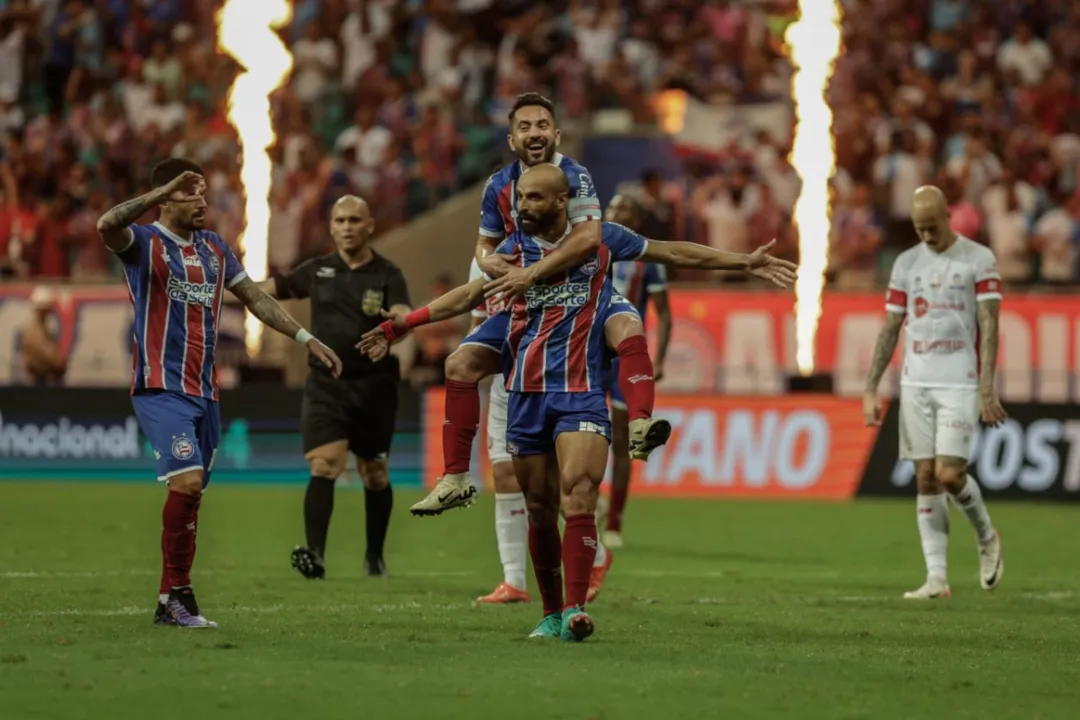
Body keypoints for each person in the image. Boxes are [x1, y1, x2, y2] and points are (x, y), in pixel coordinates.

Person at [359, 163, 796, 640]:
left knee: (581, 494)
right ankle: (548, 612)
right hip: (527, 394)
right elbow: (467, 296)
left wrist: (743, 262)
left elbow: (670, 251)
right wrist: (402, 324)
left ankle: (574, 609)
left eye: (533, 199)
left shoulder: (602, 238)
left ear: (562, 202)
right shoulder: (511, 251)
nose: (522, 206)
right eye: (520, 197)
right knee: (542, 510)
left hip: (582, 393)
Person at [96, 158, 342, 628]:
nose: (204, 202)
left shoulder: (213, 248)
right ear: (166, 199)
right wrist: (157, 191)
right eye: (192, 194)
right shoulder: (144, 244)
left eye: (204, 192)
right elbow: (106, 223)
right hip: (160, 386)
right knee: (185, 482)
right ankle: (179, 597)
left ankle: (170, 598)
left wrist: (307, 339)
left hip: (205, 393)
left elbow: (258, 300)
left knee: (193, 496)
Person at [410, 92, 668, 517]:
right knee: (465, 373)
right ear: (511, 139)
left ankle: (638, 425)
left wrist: (529, 272)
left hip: (578, 292)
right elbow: (483, 249)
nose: (535, 133)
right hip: (516, 295)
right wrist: (488, 262)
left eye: (542, 125)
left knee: (626, 326)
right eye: (525, 127)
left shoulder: (576, 178)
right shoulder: (497, 185)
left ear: (556, 135)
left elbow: (589, 239)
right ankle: (457, 479)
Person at [256, 195, 414, 580]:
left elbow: (405, 312)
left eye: (354, 220)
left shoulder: (387, 273)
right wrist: (210, 291)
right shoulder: (317, 270)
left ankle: (374, 558)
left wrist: (398, 320)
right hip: (327, 383)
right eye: (340, 220)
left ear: (369, 226)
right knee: (324, 464)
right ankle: (316, 556)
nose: (347, 227)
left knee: (374, 472)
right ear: (330, 227)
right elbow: (266, 288)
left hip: (374, 386)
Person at [863, 185, 1006, 600]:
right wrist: (870, 387)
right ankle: (937, 579)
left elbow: (991, 326)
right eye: (918, 229)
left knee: (949, 474)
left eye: (931, 227)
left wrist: (986, 388)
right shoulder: (907, 264)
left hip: (959, 381)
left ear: (948, 217)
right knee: (925, 478)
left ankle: (986, 536)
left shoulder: (978, 259)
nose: (925, 236)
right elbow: (891, 327)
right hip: (915, 382)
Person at [601, 194, 672, 552]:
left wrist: (659, 358)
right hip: (589, 350)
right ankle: (586, 498)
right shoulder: (591, 245)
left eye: (623, 209)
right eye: (612, 208)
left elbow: (665, 312)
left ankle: (614, 518)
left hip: (624, 357)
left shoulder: (648, 261)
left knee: (623, 438)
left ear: (637, 219)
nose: (615, 213)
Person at [19, 287, 67, 385]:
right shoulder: (32, 331)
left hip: (46, 380)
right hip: (38, 381)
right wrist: (56, 361)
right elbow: (47, 356)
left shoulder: (45, 330)